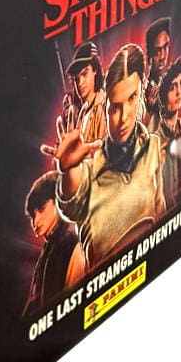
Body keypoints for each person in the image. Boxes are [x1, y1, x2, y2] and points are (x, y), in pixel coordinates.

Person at [41, 44, 165, 270]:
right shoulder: (83, 114)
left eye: (84, 74)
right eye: (115, 107)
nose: (124, 117)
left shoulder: (148, 145)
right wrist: (70, 170)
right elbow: (77, 196)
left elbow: (160, 211)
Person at [23, 172, 86, 316]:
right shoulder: (50, 248)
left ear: (58, 202)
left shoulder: (71, 243)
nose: (36, 221)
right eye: (32, 216)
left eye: (42, 209)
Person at [156, 57, 181, 208]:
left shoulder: (180, 130)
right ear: (163, 96)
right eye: (172, 87)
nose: (178, 92)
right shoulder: (156, 137)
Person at [66, 42, 106, 143]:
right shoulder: (74, 114)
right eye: (76, 79)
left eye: (84, 74)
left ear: (95, 70)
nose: (80, 83)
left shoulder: (105, 109)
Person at [144, 17, 172, 130]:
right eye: (157, 51)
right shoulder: (143, 89)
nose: (163, 56)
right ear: (150, 54)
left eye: (165, 47)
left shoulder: (173, 84)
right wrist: (150, 108)